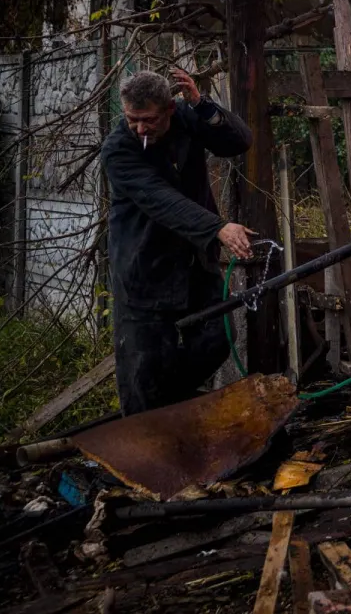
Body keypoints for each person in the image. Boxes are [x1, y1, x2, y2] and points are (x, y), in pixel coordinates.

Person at [100, 68, 255, 415]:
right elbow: (161, 199)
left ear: (170, 109)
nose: (140, 129)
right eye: (132, 120)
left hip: (193, 263)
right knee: (144, 369)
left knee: (217, 339)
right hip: (143, 268)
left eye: (148, 120)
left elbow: (238, 142)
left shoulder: (186, 118)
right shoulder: (118, 150)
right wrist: (218, 227)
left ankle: (166, 406)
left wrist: (201, 105)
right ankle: (144, 440)